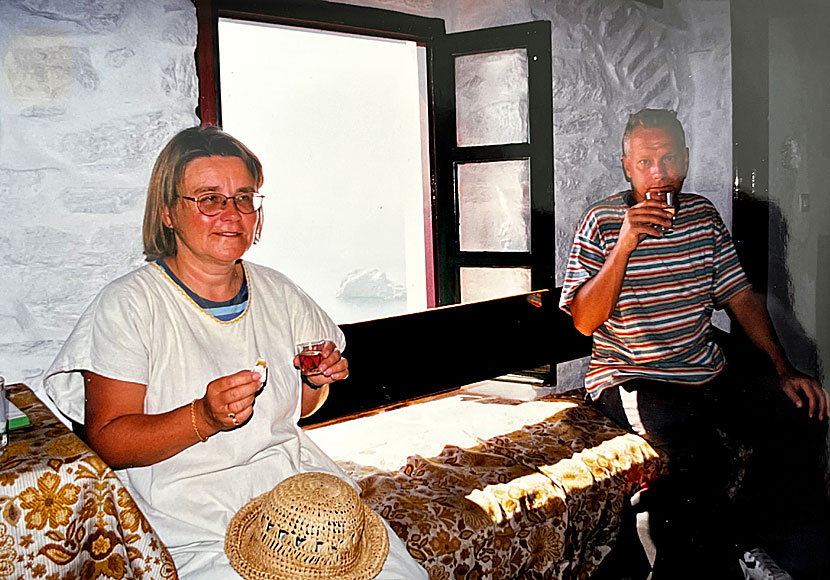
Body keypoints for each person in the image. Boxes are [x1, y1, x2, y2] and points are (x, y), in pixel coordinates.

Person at [44, 126, 428, 580]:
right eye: (209, 198)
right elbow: (109, 441)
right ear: (168, 212)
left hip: (294, 504)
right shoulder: (131, 304)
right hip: (191, 515)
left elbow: (298, 409)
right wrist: (203, 417)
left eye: (244, 197)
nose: (232, 213)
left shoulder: (278, 292)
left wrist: (313, 379)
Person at [559, 109, 828, 578]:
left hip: (703, 368)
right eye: (645, 162)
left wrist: (783, 369)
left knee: (800, 412)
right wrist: (624, 244)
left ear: (685, 160)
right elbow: (584, 322)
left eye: (668, 160)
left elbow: (740, 297)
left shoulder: (702, 215)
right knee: (695, 454)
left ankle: (758, 543)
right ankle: (712, 560)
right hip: (633, 376)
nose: (658, 174)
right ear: (626, 165)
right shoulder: (602, 221)